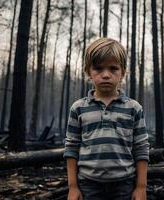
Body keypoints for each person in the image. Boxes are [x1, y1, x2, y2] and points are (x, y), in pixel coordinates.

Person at [64, 37, 149, 200]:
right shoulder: (78, 108)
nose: (106, 75)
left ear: (123, 72)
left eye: (113, 68)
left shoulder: (133, 108)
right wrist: (73, 187)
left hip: (124, 183)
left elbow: (141, 147)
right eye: (98, 68)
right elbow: (71, 147)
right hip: (89, 183)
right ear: (88, 72)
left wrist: (140, 187)